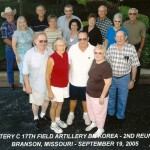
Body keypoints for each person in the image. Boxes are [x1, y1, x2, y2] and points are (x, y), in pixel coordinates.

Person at [106, 30, 140, 121]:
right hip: (112, 77)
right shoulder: (111, 48)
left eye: (121, 36)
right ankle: (110, 113)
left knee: (122, 99)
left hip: (124, 78)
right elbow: (106, 63)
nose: (119, 38)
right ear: (114, 38)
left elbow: (134, 65)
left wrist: (132, 80)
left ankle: (120, 115)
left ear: (126, 38)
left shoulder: (131, 48)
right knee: (111, 97)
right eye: (117, 36)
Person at [23, 32, 53, 130]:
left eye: (45, 41)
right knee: (35, 103)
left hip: (49, 84)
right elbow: (25, 72)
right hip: (35, 84)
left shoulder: (50, 50)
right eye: (41, 41)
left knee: (47, 100)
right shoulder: (29, 53)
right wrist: (27, 86)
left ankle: (43, 115)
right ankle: (36, 118)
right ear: (35, 42)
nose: (43, 43)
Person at [67, 31, 95, 126]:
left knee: (85, 99)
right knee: (73, 99)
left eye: (84, 39)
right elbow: (68, 63)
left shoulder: (93, 49)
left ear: (88, 39)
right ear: (77, 39)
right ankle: (71, 114)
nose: (82, 41)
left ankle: (85, 114)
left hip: (87, 82)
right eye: (80, 39)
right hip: (74, 80)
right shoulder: (72, 48)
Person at [86, 45, 112, 138]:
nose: (97, 55)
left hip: (99, 95)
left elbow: (108, 83)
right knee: (91, 110)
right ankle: (94, 123)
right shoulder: (94, 61)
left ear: (104, 54)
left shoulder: (106, 66)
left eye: (100, 53)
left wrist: (102, 96)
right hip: (89, 92)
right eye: (95, 52)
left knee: (99, 112)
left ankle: (100, 128)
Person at [46, 37, 69, 134]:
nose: (62, 46)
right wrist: (50, 91)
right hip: (55, 86)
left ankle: (58, 119)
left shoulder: (66, 54)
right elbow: (47, 76)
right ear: (55, 47)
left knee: (60, 103)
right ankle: (53, 124)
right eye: (59, 45)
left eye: (63, 44)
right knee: (54, 104)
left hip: (64, 85)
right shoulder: (52, 58)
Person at [123, 8, 146, 85]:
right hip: (126, 47)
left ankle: (134, 84)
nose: (132, 15)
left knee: (136, 65)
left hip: (136, 47)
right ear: (128, 15)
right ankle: (126, 83)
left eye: (134, 14)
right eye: (130, 14)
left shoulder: (141, 24)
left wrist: (140, 50)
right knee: (126, 64)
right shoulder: (124, 24)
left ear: (137, 15)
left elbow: (143, 38)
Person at [12, 16, 34, 91]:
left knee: (31, 69)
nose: (22, 24)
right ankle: (24, 86)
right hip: (21, 54)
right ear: (18, 23)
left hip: (31, 53)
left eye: (24, 22)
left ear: (26, 22)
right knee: (23, 70)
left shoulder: (30, 30)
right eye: (20, 22)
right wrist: (17, 55)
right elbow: (14, 46)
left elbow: (34, 41)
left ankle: (30, 85)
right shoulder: (16, 33)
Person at [1, 7, 17, 90]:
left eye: (11, 14)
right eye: (8, 14)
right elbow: (5, 39)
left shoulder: (18, 22)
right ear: (5, 16)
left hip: (20, 47)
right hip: (10, 47)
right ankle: (11, 83)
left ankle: (25, 83)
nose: (10, 16)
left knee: (23, 65)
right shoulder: (4, 25)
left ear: (13, 15)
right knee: (9, 66)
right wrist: (15, 46)